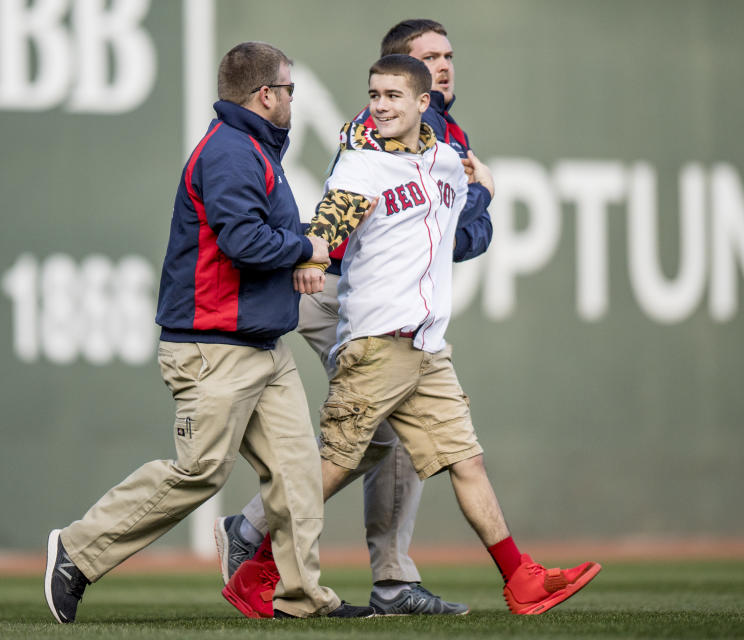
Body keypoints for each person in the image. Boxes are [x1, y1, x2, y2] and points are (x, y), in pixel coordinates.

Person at [222, 54, 601, 617]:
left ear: (424, 104)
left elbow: (460, 228)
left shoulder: (447, 161)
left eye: (393, 96)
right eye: (375, 95)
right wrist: (311, 254)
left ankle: (519, 577)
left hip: (426, 348)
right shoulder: (360, 164)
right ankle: (259, 569)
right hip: (375, 343)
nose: (381, 105)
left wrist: (486, 192)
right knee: (333, 467)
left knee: (467, 461)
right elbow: (330, 223)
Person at [43, 41, 375, 623]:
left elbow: (266, 235)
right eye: (290, 90)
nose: (294, 99)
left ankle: (301, 597)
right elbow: (242, 241)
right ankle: (77, 549)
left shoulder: (253, 149)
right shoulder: (230, 152)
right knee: (198, 472)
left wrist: (321, 248)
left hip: (261, 346)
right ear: (265, 95)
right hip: (213, 346)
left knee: (297, 475)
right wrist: (306, 247)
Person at [214, 18, 495, 617]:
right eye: (428, 57)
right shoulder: (383, 131)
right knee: (377, 424)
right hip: (340, 288)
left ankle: (370, 573)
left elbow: (461, 239)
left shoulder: (445, 137)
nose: (443, 65)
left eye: (448, 55)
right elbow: (458, 236)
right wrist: (482, 194)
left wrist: (473, 202)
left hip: (375, 294)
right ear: (402, 72)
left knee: (387, 431)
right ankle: (262, 537)